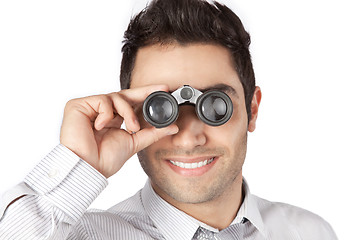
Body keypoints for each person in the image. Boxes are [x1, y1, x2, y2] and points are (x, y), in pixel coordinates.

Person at [0, 0, 337, 239]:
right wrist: (80, 163)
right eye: (160, 108)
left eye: (215, 106)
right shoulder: (79, 235)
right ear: (130, 110)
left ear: (253, 108)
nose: (189, 138)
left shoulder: (309, 232)